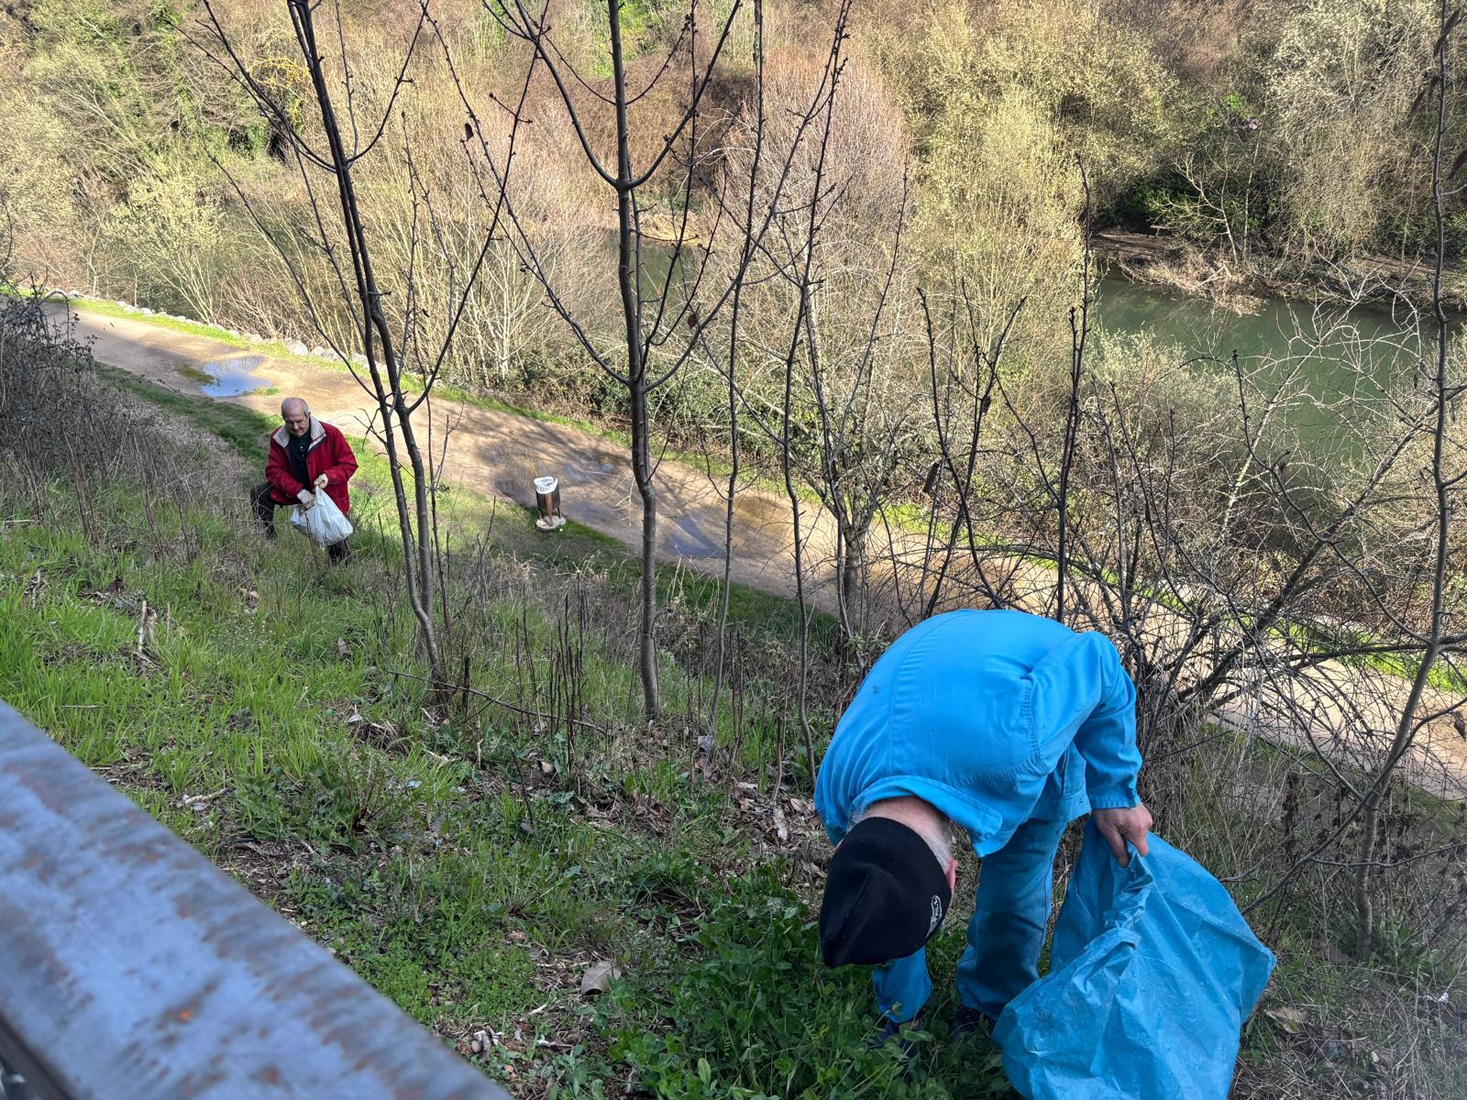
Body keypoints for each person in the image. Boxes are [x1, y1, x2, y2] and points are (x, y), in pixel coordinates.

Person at [814, 608, 1153, 1045]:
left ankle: (989, 1007)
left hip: (1039, 685)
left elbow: (1099, 659)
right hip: (951, 671)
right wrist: (901, 1013)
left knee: (1014, 888)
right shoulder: (839, 792)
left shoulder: (1023, 743)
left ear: (954, 878)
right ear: (842, 849)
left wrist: (1114, 791)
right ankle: (903, 1014)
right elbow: (884, 894)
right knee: (891, 891)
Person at [250, 397, 358, 562]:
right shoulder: (278, 438)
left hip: (327, 493)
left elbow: (349, 464)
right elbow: (273, 471)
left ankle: (342, 570)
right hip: (296, 489)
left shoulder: (330, 434)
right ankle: (267, 542)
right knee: (259, 494)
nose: (295, 427)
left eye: (299, 421)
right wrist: (298, 492)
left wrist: (327, 477)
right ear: (284, 419)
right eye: (289, 422)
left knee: (337, 541)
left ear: (308, 415)